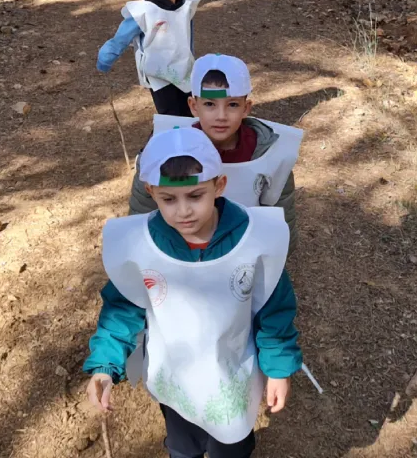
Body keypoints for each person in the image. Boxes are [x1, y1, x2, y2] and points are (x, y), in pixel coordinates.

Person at [84, 127, 300, 458]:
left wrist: (278, 368)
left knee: (231, 447)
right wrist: (104, 365)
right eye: (169, 199)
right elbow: (122, 309)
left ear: (219, 185)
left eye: (195, 196)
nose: (183, 211)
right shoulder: (141, 247)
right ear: (151, 191)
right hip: (176, 380)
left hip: (231, 378)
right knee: (183, 448)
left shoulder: (253, 240)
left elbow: (274, 309)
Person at [127, 54, 301, 237]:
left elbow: (281, 222)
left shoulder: (272, 154)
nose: (221, 116)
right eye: (209, 104)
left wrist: (275, 257)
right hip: (179, 252)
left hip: (244, 251)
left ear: (246, 108)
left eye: (232, 104)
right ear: (194, 106)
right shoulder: (160, 153)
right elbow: (142, 218)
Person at [97, 0, 202, 116]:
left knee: (183, 113)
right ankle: (163, 140)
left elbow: (120, 39)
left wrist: (105, 60)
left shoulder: (182, 5)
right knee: (174, 115)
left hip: (171, 71)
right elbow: (121, 39)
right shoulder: (148, 11)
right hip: (168, 73)